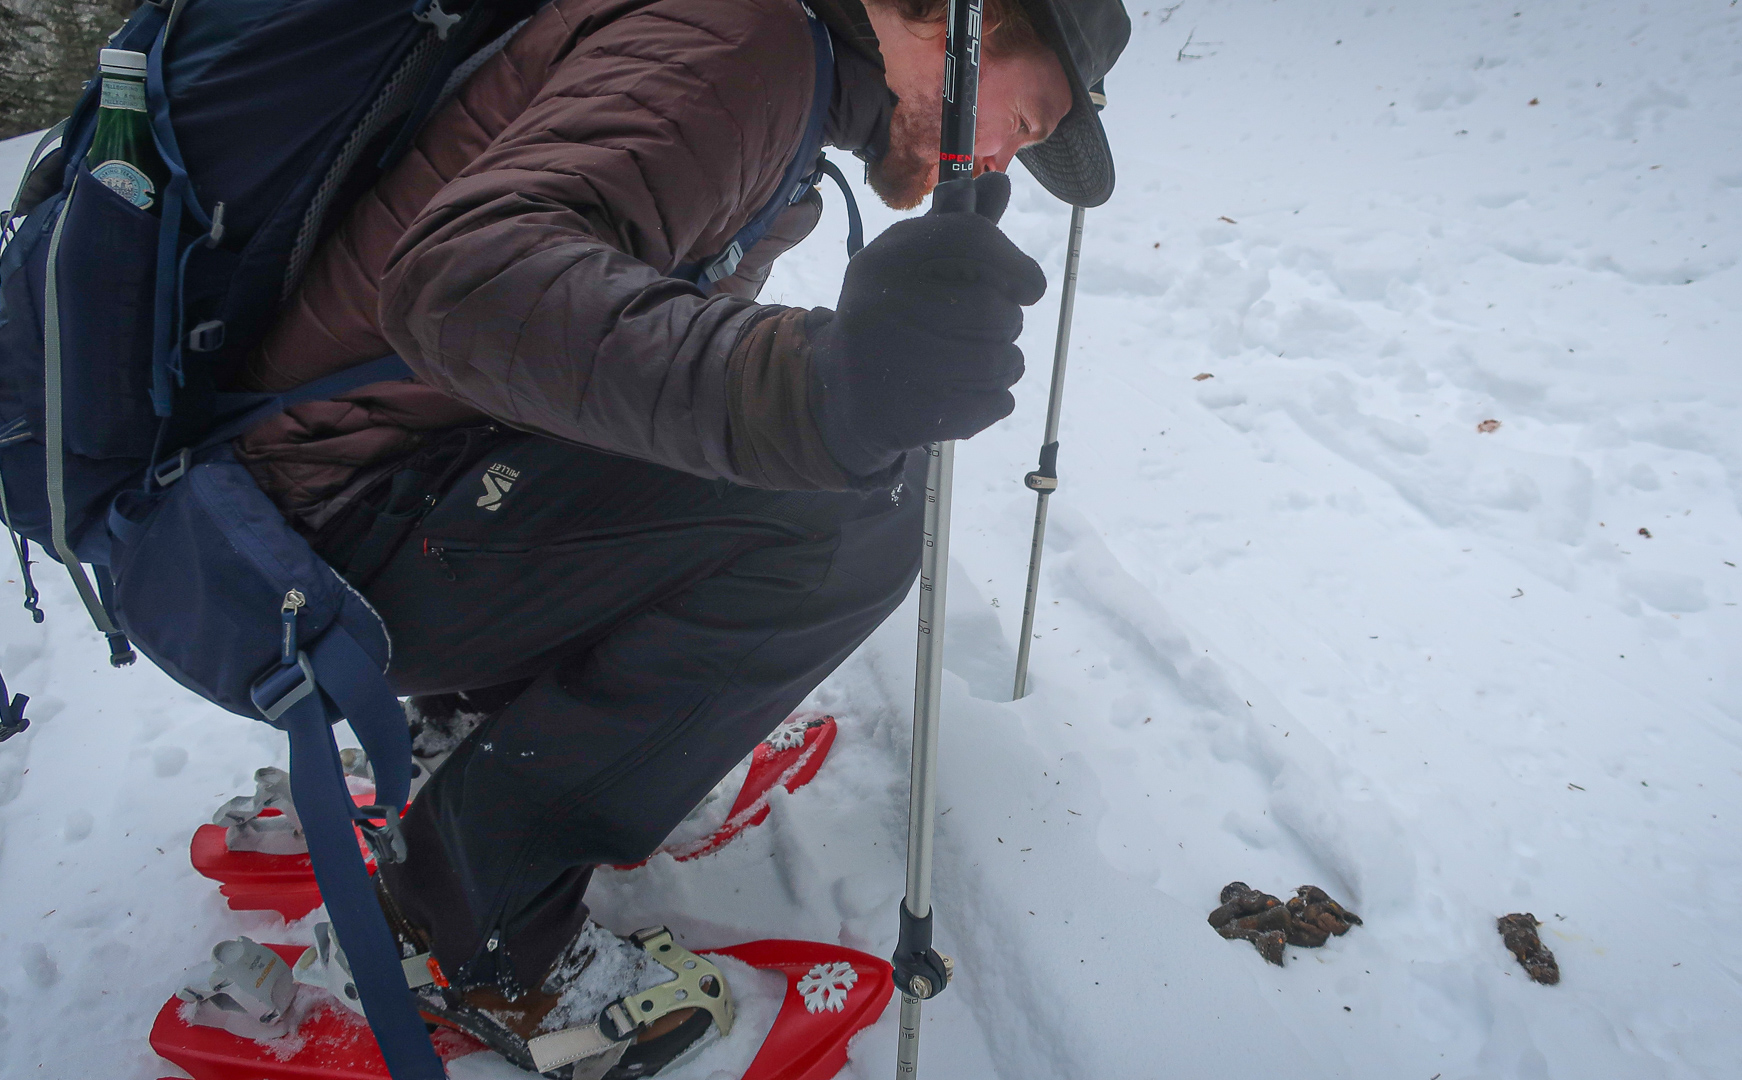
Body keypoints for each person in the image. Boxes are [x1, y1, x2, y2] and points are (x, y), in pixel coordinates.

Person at [234, 0, 1128, 1072]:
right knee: (851, 507)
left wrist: (809, 394)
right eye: (1020, 124)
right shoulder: (743, 41)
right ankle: (462, 926)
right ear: (942, 14)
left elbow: (614, 379)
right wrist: (813, 393)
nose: (994, 161)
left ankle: (480, 735)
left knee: (781, 465)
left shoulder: (784, 76)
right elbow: (456, 287)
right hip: (318, 539)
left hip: (343, 498)